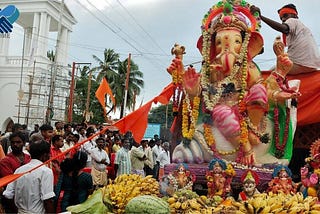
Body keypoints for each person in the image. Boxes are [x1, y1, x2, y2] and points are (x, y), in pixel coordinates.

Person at [250, 3, 320, 75]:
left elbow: (284, 29)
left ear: (295, 15)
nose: (283, 19)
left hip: (300, 63)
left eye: (285, 15)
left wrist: (261, 17)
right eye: (281, 18)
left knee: (269, 74)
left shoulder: (292, 20)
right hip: (313, 65)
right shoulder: (302, 28)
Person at [3, 140, 55, 213]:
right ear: (45, 155)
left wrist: (17, 210)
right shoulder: (46, 171)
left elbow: (8, 195)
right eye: (49, 154)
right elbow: (48, 201)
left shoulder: (19, 170)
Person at [0, 132, 32, 213]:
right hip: (12, 198)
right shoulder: (6, 160)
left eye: (18, 142)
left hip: (29, 194)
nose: (15, 144)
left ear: (23, 143)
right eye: (13, 142)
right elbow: (9, 180)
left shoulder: (28, 157)